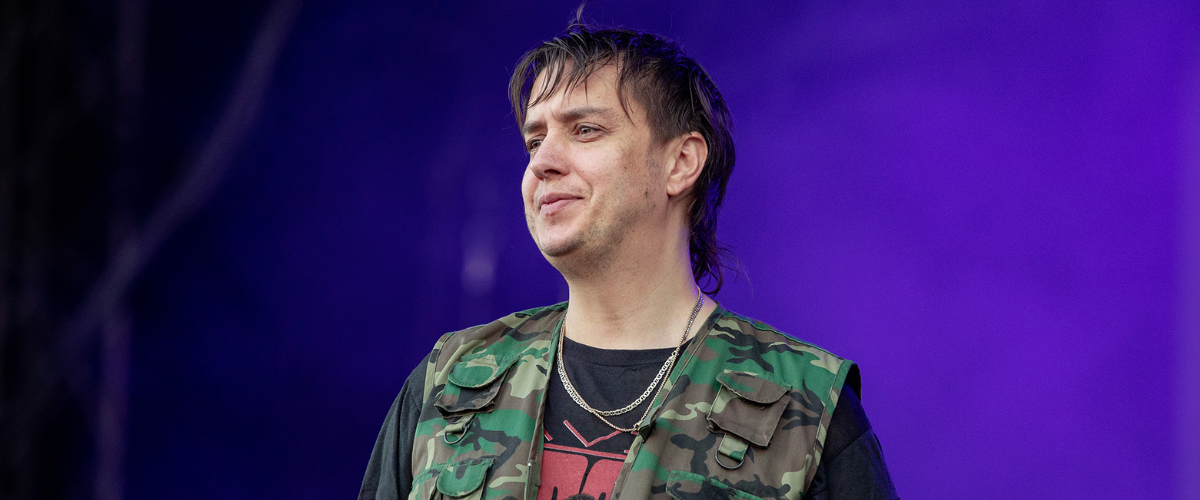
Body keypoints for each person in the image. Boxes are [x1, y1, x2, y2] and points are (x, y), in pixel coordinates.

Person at [360, 23, 897, 500]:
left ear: (680, 162)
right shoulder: (448, 382)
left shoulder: (804, 404)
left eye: (585, 130)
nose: (542, 162)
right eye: (534, 140)